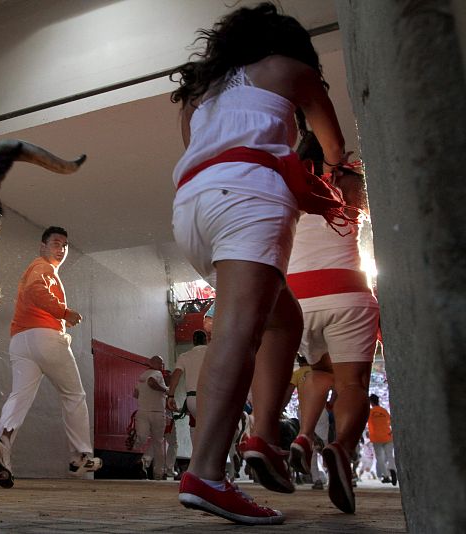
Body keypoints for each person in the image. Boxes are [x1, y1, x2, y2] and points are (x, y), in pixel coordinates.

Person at [170, 2, 348, 524]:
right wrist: (328, 177)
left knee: (282, 318)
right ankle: (205, 475)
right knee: (238, 334)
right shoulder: (291, 71)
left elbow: (209, 150)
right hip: (249, 199)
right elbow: (333, 146)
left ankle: (263, 438)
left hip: (192, 209)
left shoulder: (199, 96)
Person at [285, 132, 379, 514]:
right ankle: (341, 447)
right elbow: (375, 212)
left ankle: (305, 436)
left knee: (316, 371)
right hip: (347, 288)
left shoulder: (283, 182)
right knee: (351, 383)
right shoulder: (349, 182)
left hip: (298, 297)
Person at [0, 226, 101, 488]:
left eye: (65, 245)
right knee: (74, 395)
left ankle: (3, 443)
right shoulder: (42, 268)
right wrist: (64, 312)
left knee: (19, 397)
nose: (61, 249)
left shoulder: (35, 269)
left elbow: (31, 294)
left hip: (20, 342)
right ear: (42, 246)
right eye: (56, 243)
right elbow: (36, 291)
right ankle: (81, 456)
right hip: (45, 338)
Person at [133, 355, 168, 479]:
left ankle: (145, 460)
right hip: (157, 412)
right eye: (162, 364)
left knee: (142, 437)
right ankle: (158, 473)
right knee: (158, 442)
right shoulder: (157, 373)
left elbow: (135, 394)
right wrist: (165, 390)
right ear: (157, 364)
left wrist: (146, 398)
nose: (162, 366)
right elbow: (152, 382)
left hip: (142, 411)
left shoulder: (142, 375)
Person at [167, 330, 209, 420]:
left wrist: (171, 396)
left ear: (193, 342)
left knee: (201, 428)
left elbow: (175, 376)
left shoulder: (184, 356)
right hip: (211, 398)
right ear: (206, 340)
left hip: (192, 400)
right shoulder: (214, 354)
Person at [367, 394, 397, 485]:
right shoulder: (384, 411)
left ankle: (386, 476)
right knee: (389, 456)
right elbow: (390, 421)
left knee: (380, 458)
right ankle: (392, 470)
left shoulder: (370, 412)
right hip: (387, 436)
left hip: (376, 438)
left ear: (371, 402)